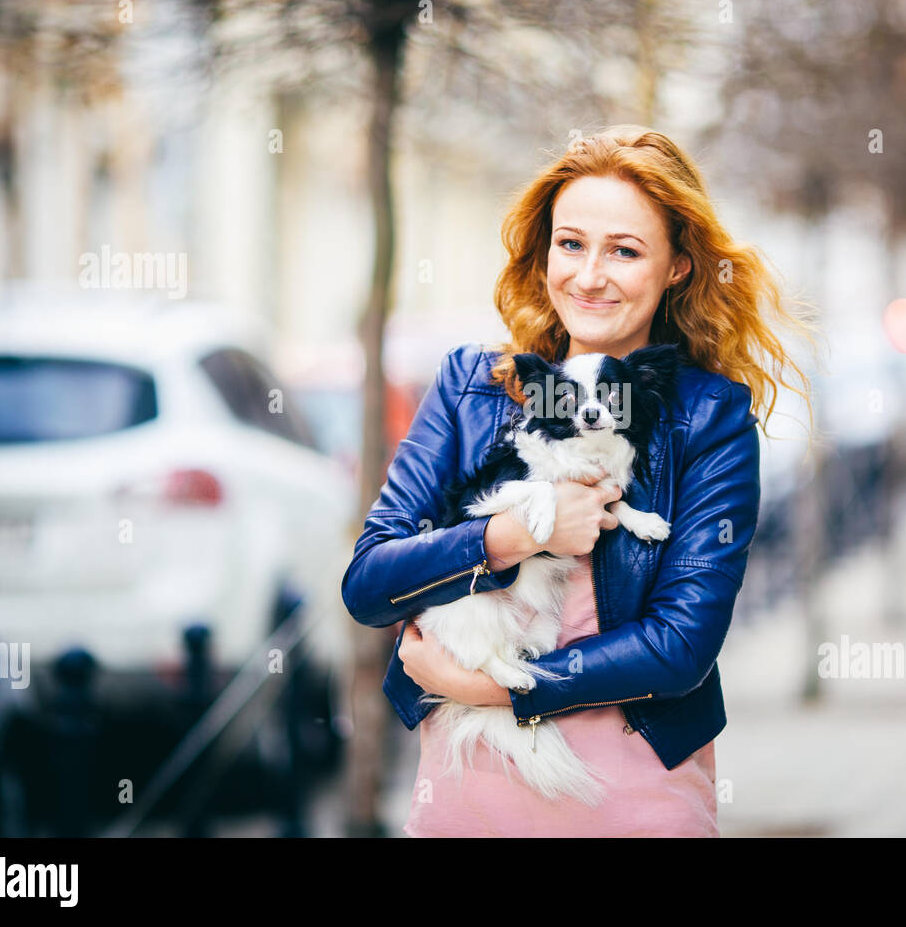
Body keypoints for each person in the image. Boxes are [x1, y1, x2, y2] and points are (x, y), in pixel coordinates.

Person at [341, 124, 818, 836]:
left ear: (679, 267)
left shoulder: (708, 417)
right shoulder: (473, 388)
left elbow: (679, 648)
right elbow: (369, 584)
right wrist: (511, 534)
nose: (589, 276)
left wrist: (490, 687)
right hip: (469, 797)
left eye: (624, 251)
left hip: (633, 798)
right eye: (571, 243)